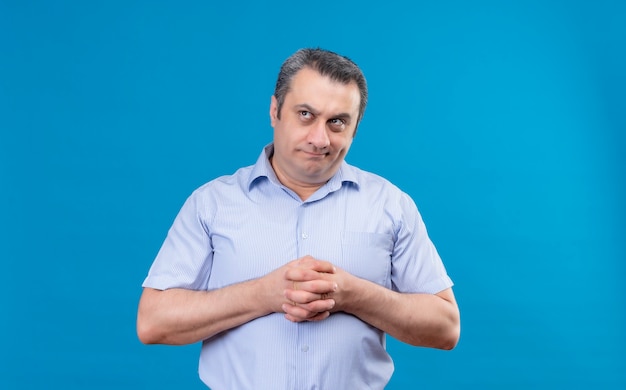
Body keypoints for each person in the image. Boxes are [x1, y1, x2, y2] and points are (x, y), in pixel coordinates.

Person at [137, 48, 460, 389]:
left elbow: (446, 328)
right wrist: (262, 294)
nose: (320, 139)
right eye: (305, 114)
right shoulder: (212, 203)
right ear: (275, 111)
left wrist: (352, 294)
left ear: (354, 129)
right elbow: (153, 321)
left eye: (337, 122)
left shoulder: (391, 205)